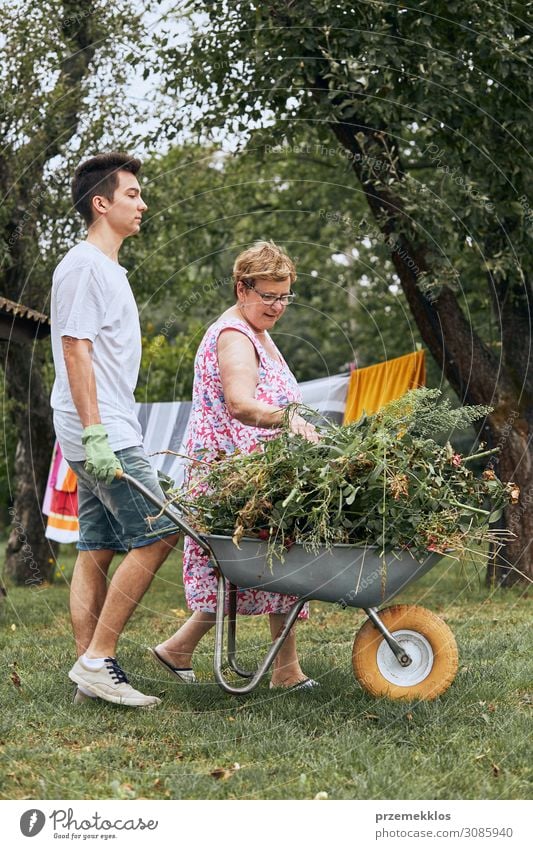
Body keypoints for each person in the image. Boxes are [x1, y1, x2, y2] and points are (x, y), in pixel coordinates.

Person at [151, 241, 320, 691]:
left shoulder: (256, 329)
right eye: (268, 295)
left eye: (284, 296)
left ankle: (185, 651)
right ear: (241, 288)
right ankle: (280, 670)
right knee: (261, 565)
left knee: (266, 566)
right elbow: (241, 404)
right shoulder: (234, 336)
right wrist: (290, 419)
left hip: (252, 467)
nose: (278, 306)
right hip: (231, 470)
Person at [50, 152, 179, 707]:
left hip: (97, 425)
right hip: (101, 430)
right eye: (132, 194)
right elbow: (75, 347)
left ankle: (89, 672)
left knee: (96, 547)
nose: (142, 203)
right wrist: (98, 431)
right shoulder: (84, 266)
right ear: (101, 203)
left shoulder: (105, 268)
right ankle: (100, 660)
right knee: (160, 533)